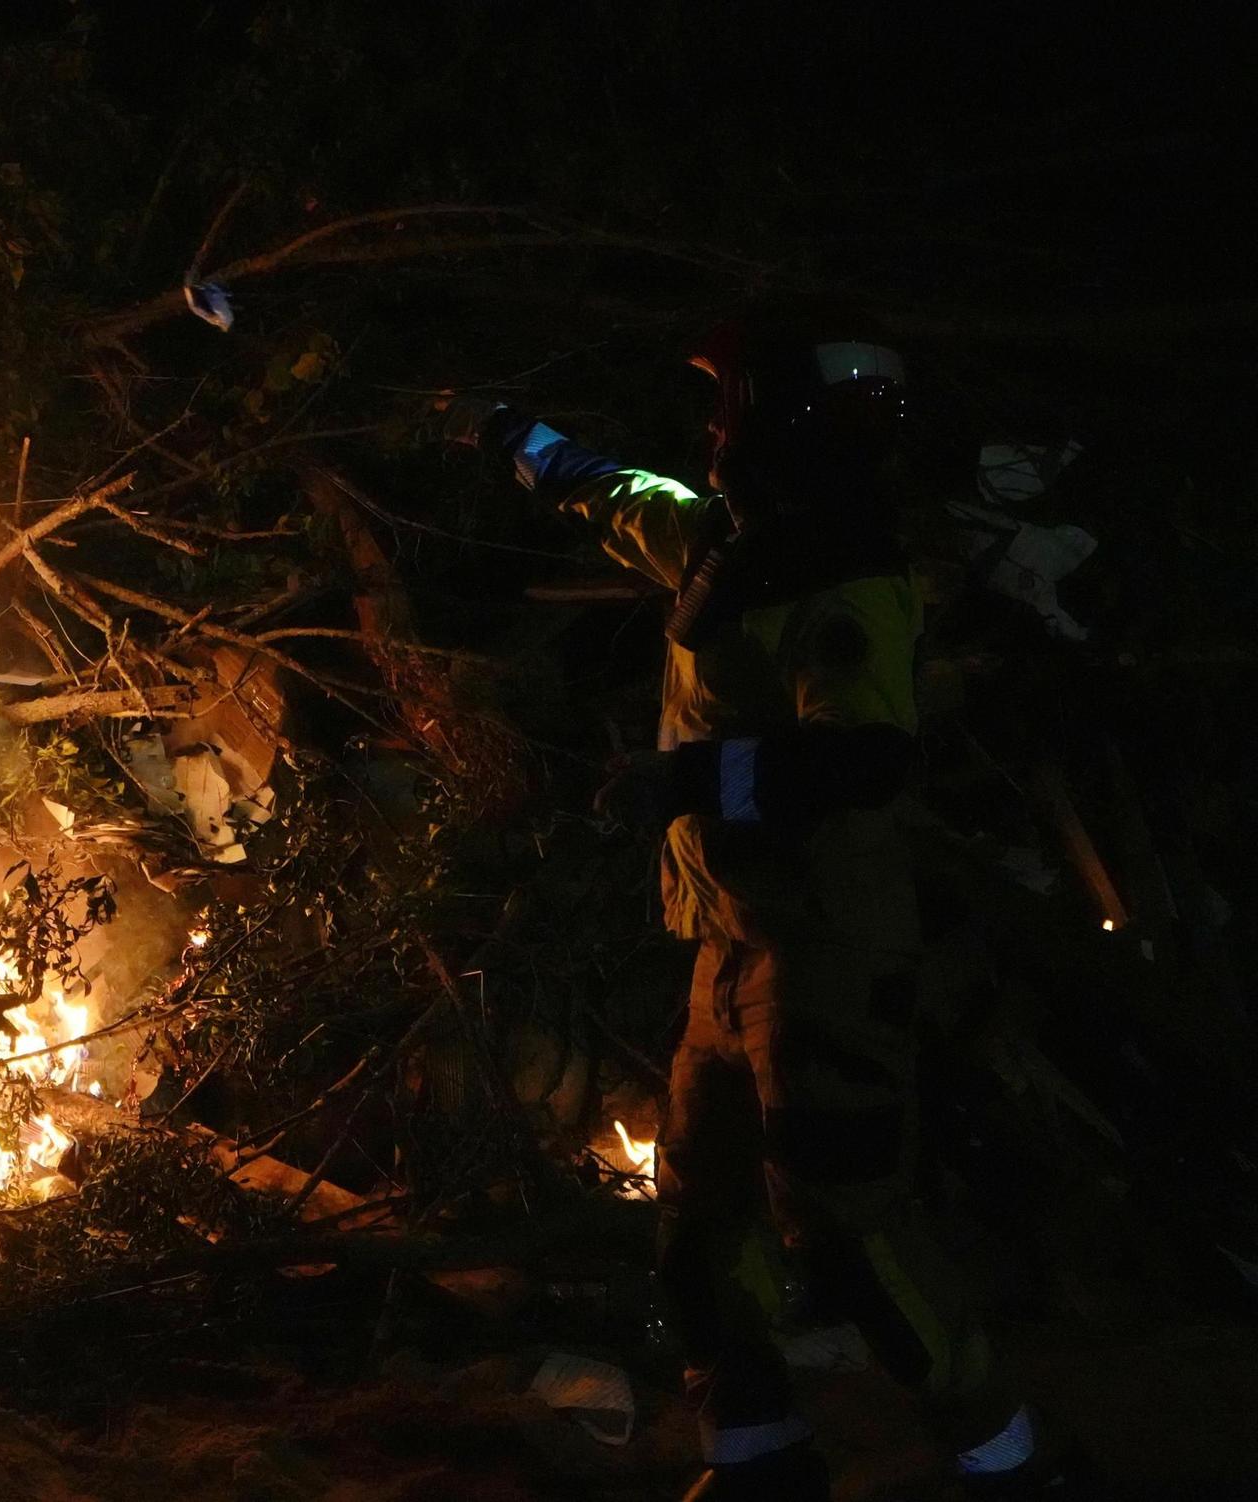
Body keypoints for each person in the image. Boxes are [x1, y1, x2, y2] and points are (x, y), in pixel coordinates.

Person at [451, 320, 1078, 1499]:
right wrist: (496, 427)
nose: (709, 431)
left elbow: (862, 759)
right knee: (698, 1224)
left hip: (824, 949)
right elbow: (609, 491)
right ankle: (759, 1461)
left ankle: (1008, 1463)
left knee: (846, 1224)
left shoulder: (843, 574)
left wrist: (680, 782)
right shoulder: (727, 539)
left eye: (726, 408)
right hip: (730, 943)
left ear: (778, 423)